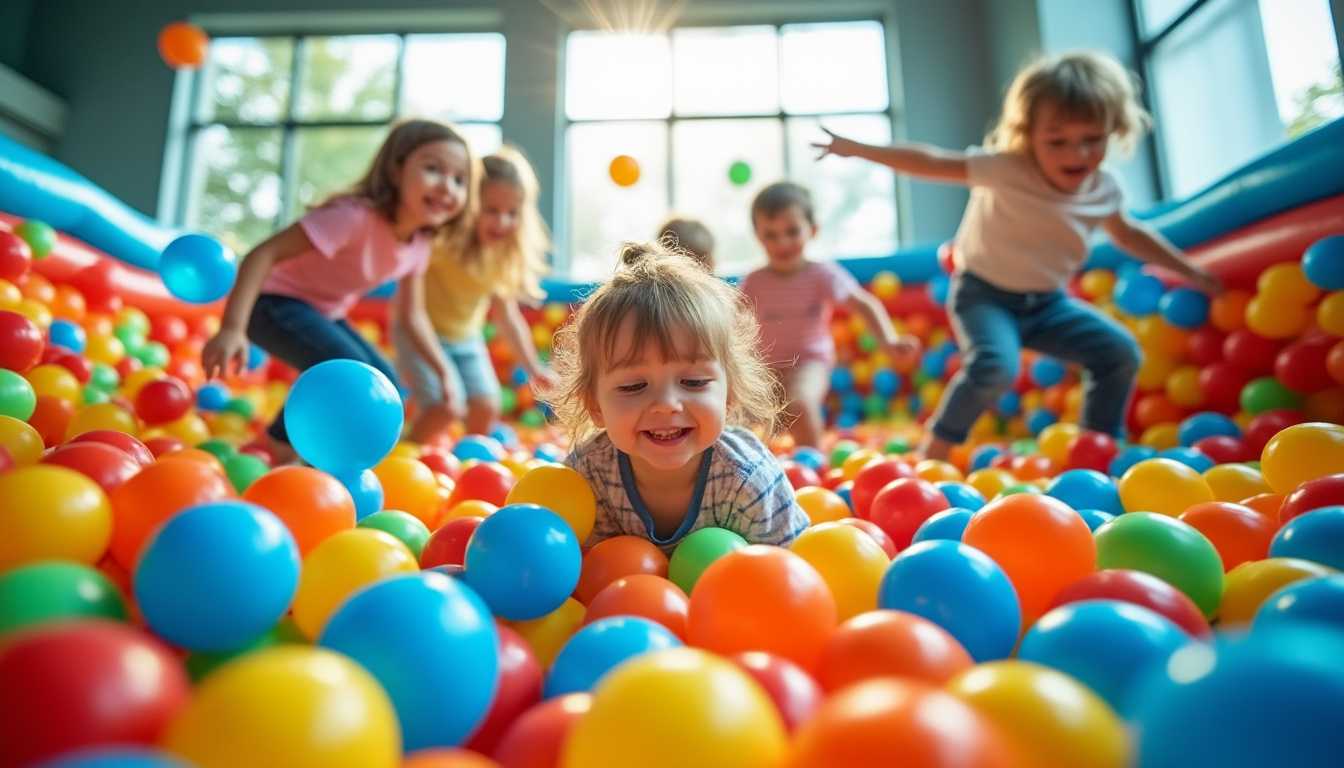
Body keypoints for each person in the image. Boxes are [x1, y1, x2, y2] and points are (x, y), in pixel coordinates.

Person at [815, 50, 1221, 461]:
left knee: (1120, 353)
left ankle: (1098, 448)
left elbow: (1129, 235)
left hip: (1048, 303)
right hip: (983, 295)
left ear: (1113, 130)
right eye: (1057, 141)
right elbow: (934, 161)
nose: (1075, 155)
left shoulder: (1104, 189)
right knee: (995, 366)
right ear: (1028, 134)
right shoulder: (1008, 168)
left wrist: (1191, 271)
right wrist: (859, 149)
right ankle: (932, 454)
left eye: (1092, 140)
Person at [201, 118, 474, 465]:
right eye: (433, 169)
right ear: (395, 170)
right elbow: (262, 254)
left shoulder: (419, 243)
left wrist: (444, 370)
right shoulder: (353, 216)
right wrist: (231, 328)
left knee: (383, 383)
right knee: (352, 373)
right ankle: (282, 444)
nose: (447, 187)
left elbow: (413, 314)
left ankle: (293, 441)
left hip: (322, 311)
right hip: (269, 302)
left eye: (459, 179)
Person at [542, 241, 810, 555]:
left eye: (693, 382)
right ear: (594, 405)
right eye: (633, 387)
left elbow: (791, 572)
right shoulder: (589, 475)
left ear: (729, 395)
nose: (667, 404)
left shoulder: (748, 481)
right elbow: (574, 570)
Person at [392, 144, 555, 444]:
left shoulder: (501, 255)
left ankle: (465, 463)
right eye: (491, 210)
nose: (502, 222)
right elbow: (408, 310)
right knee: (445, 407)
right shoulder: (441, 241)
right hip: (419, 332)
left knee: (486, 405)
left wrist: (533, 368)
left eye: (512, 213)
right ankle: (403, 454)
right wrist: (441, 370)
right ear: (469, 204)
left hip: (465, 338)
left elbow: (508, 317)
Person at [740, 181, 922, 449]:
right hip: (766, 367)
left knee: (799, 403)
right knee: (737, 411)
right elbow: (732, 321)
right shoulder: (755, 281)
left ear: (812, 231)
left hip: (809, 361)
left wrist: (888, 339)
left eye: (792, 231)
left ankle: (812, 462)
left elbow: (863, 303)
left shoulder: (821, 273)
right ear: (758, 237)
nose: (782, 242)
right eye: (771, 235)